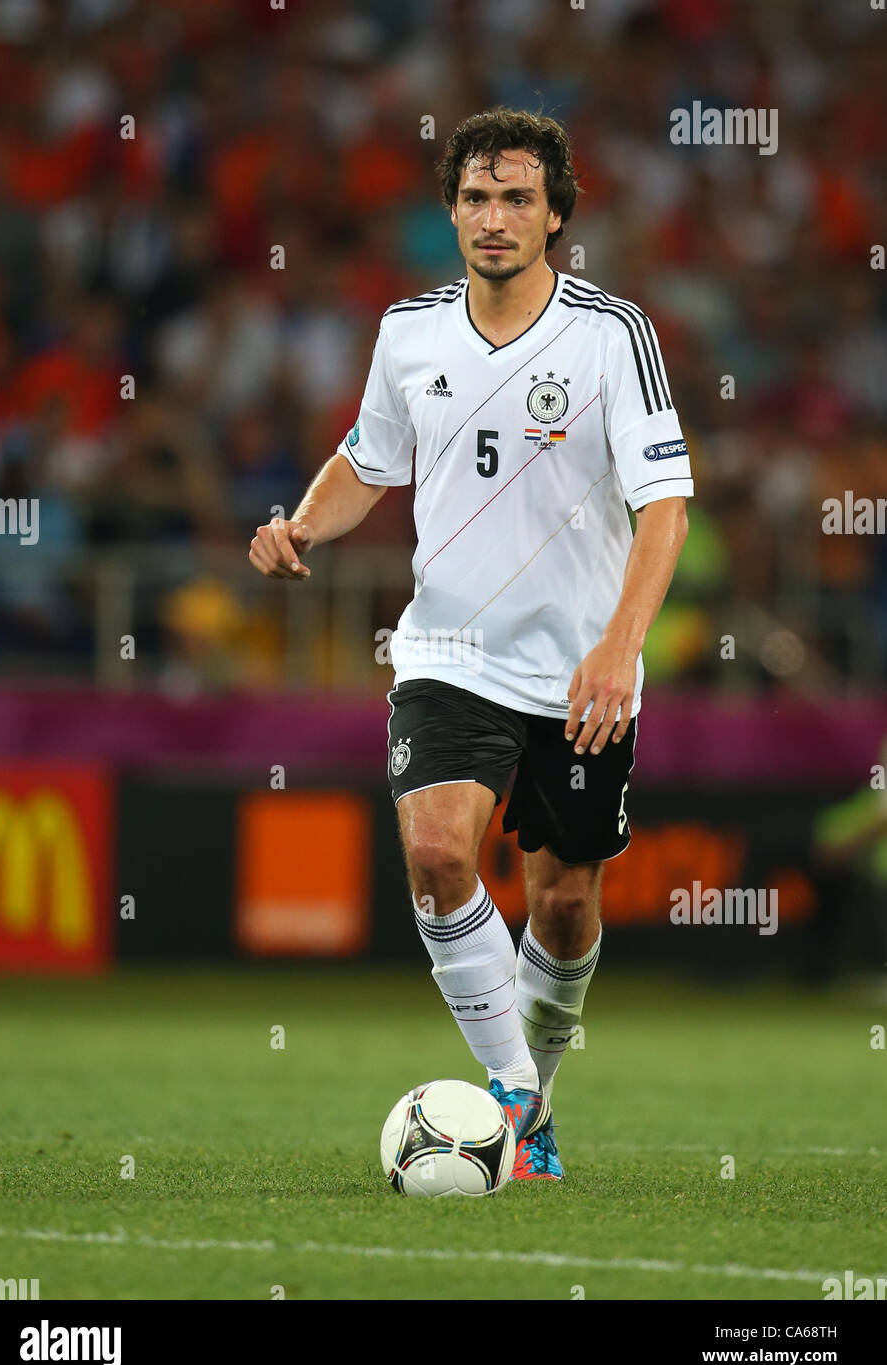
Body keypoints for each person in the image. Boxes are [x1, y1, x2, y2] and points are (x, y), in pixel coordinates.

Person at [249, 107, 692, 1181]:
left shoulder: (608, 334)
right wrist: (304, 519)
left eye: (517, 199)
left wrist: (617, 647)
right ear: (449, 210)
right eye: (475, 197)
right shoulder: (409, 332)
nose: (494, 218)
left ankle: (529, 1088)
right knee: (440, 851)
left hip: (580, 667)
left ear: (555, 216)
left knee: (565, 900)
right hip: (445, 649)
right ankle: (513, 1108)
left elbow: (665, 505)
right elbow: (368, 457)